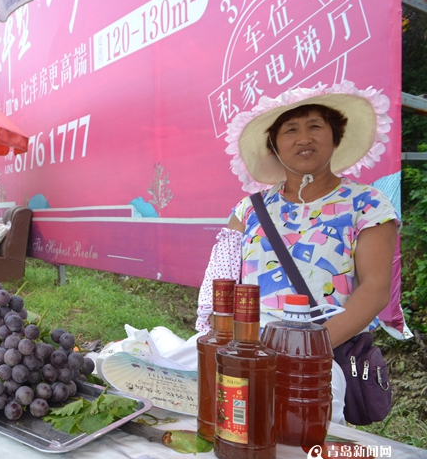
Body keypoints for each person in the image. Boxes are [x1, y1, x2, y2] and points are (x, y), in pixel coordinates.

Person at [162, 81, 400, 423]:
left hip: (320, 355)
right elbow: (219, 283)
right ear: (274, 145)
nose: (304, 138)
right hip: (246, 349)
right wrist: (235, 344)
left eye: (316, 126)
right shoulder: (248, 210)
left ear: (335, 136)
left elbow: (376, 289)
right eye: (291, 130)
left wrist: (308, 352)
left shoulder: (368, 204)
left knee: (298, 443)